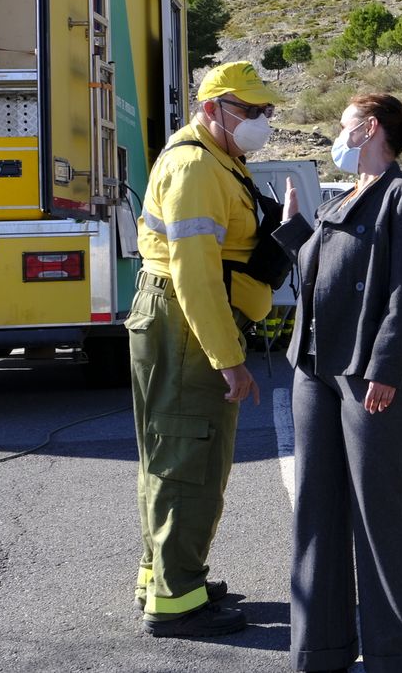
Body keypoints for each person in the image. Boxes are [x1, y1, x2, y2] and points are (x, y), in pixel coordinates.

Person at [277, 94, 402, 673]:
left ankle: (396, 656)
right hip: (315, 370)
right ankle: (318, 649)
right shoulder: (343, 197)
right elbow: (322, 276)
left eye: (343, 126)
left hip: (369, 375)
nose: (336, 136)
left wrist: (385, 370)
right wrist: (295, 230)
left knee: (379, 512)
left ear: (370, 128)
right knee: (315, 510)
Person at [130, 61, 292, 637]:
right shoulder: (196, 166)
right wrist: (229, 360)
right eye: (249, 110)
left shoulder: (221, 160)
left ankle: (169, 576)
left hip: (184, 317)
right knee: (188, 458)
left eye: (265, 110)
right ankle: (177, 604)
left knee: (172, 454)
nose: (261, 120)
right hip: (186, 321)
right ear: (211, 109)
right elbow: (194, 276)